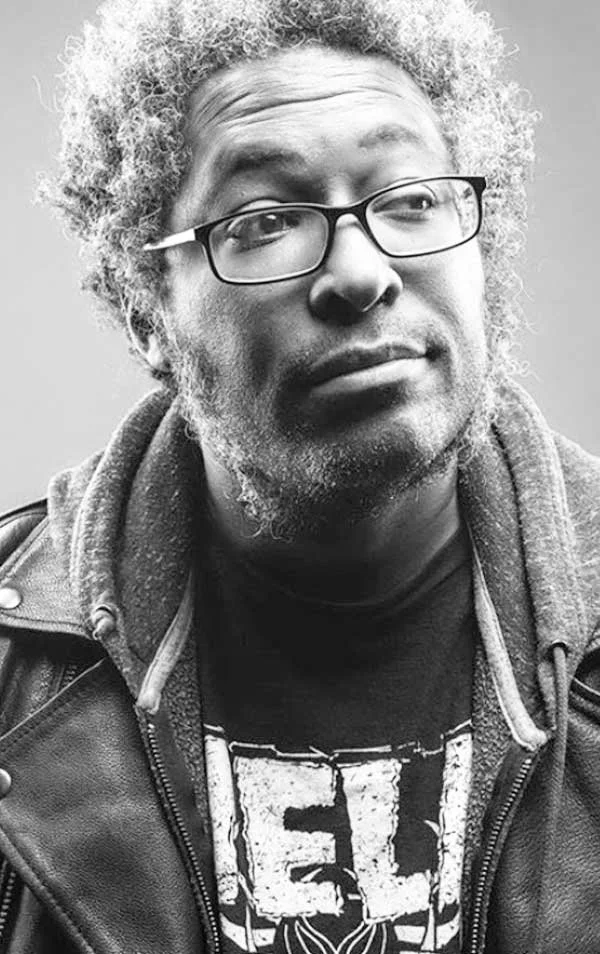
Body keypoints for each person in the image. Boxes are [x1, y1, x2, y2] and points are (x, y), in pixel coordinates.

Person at [0, 0, 598, 951]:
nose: (361, 273)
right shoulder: (14, 667)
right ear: (144, 307)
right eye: (267, 219)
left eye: (410, 200)